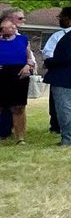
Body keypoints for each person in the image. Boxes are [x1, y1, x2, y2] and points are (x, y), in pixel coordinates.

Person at [44, 6, 71, 146]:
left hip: (65, 77)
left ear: (68, 18)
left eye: (61, 17)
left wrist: (49, 62)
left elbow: (67, 56)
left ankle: (69, 139)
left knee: (66, 108)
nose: (60, 20)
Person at [0, 11, 32, 144]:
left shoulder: (23, 39)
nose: (13, 29)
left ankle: (20, 137)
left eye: (14, 27)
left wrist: (28, 66)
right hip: (2, 73)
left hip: (19, 74)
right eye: (9, 27)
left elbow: (29, 57)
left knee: (18, 107)